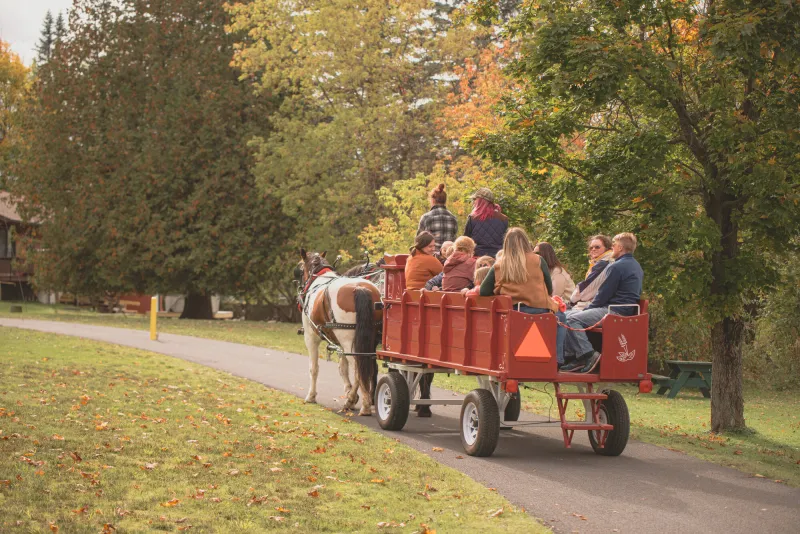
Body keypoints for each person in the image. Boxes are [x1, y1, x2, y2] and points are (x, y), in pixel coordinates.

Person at [480, 228, 566, 365]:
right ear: (526, 242)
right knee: (561, 318)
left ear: (506, 244)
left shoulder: (499, 264)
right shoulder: (538, 260)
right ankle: (558, 360)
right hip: (540, 311)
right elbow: (549, 288)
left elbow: (484, 291)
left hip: (512, 313)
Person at [561, 233, 644, 373]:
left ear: (620, 247)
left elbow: (603, 294)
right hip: (627, 310)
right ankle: (575, 357)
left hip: (614, 311)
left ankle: (587, 355)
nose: (612, 247)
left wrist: (587, 309)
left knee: (570, 318)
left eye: (614, 245)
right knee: (569, 314)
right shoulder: (637, 266)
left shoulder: (616, 266)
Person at [569, 235, 614, 311]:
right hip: (600, 302)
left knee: (565, 317)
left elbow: (586, 286)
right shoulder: (604, 261)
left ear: (607, 248)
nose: (593, 249)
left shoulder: (603, 263)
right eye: (591, 248)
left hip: (599, 305)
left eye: (597, 247)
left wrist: (572, 300)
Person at [464, 188, 508, 258]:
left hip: (477, 259)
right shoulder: (504, 218)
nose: (474, 202)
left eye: (475, 199)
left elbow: (466, 240)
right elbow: (505, 241)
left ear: (479, 201)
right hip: (498, 258)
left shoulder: (473, 218)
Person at [417, 184, 458, 253]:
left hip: (431, 258)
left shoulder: (426, 217)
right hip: (448, 258)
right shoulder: (453, 218)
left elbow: (418, 241)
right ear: (445, 201)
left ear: (433, 200)